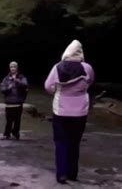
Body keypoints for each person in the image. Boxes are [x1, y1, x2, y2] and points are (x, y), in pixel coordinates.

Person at [44, 40, 95, 184]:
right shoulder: (87, 68)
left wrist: (57, 90)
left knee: (60, 142)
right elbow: (90, 82)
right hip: (80, 112)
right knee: (75, 142)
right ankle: (73, 173)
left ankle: (61, 174)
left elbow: (48, 86)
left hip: (60, 110)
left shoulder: (57, 67)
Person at [0, 61, 28, 140]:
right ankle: (7, 134)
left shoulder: (21, 77)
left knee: (17, 120)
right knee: (8, 120)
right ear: (9, 68)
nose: (12, 68)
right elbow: (2, 89)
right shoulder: (6, 78)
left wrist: (17, 81)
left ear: (17, 68)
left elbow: (25, 85)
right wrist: (8, 88)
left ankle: (16, 134)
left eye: (14, 67)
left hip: (18, 102)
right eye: (11, 67)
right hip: (9, 103)